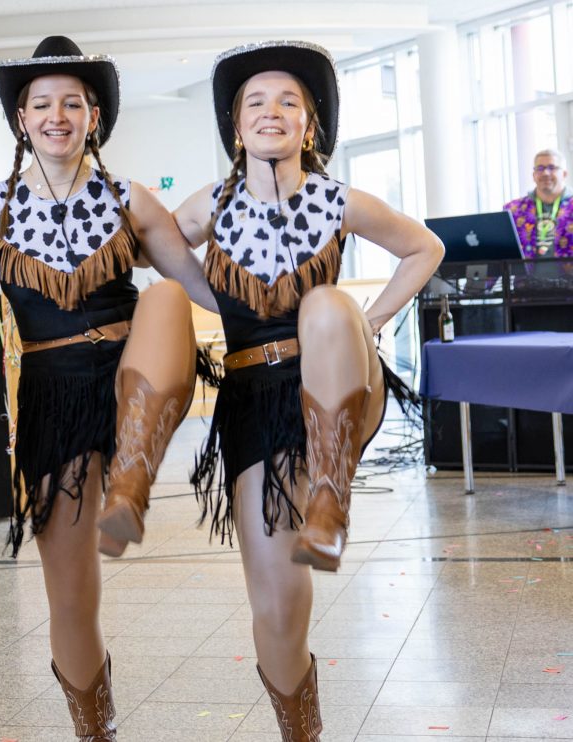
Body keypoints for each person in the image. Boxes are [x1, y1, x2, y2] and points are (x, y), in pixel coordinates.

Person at [0, 36, 216, 741]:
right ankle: (96, 728)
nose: (56, 115)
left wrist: (294, 320)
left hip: (135, 379)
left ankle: (133, 478)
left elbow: (204, 291)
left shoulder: (132, 199)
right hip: (51, 397)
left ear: (94, 115)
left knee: (160, 302)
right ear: (20, 119)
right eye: (41, 104)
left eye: (72, 102)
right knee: (70, 595)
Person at [174, 41, 443, 739]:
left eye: (288, 101)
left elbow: (425, 248)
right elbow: (158, 251)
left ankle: (332, 493)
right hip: (252, 399)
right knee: (275, 606)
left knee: (326, 307)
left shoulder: (338, 198)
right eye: (254, 103)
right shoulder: (209, 205)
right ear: (236, 126)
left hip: (337, 381)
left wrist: (373, 320)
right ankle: (303, 728)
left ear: (310, 126)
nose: (271, 112)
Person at [504, 148, 573, 258]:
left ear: (564, 174)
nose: (545, 173)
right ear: (534, 175)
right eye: (540, 168)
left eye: (552, 167)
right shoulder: (513, 210)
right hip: (525, 275)